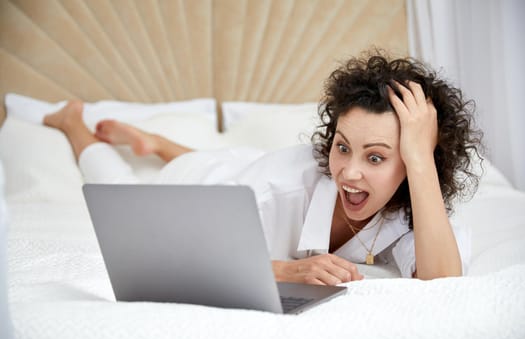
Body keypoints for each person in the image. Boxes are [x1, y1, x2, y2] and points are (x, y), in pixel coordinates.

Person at [43, 51, 482, 285]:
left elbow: (443, 280)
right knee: (119, 181)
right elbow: (182, 253)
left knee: (233, 159)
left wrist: (421, 160)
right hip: (205, 187)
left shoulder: (411, 200)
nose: (348, 172)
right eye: (342, 147)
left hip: (245, 167)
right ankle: (72, 123)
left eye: (375, 157)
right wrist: (288, 270)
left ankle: (156, 143)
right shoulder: (277, 189)